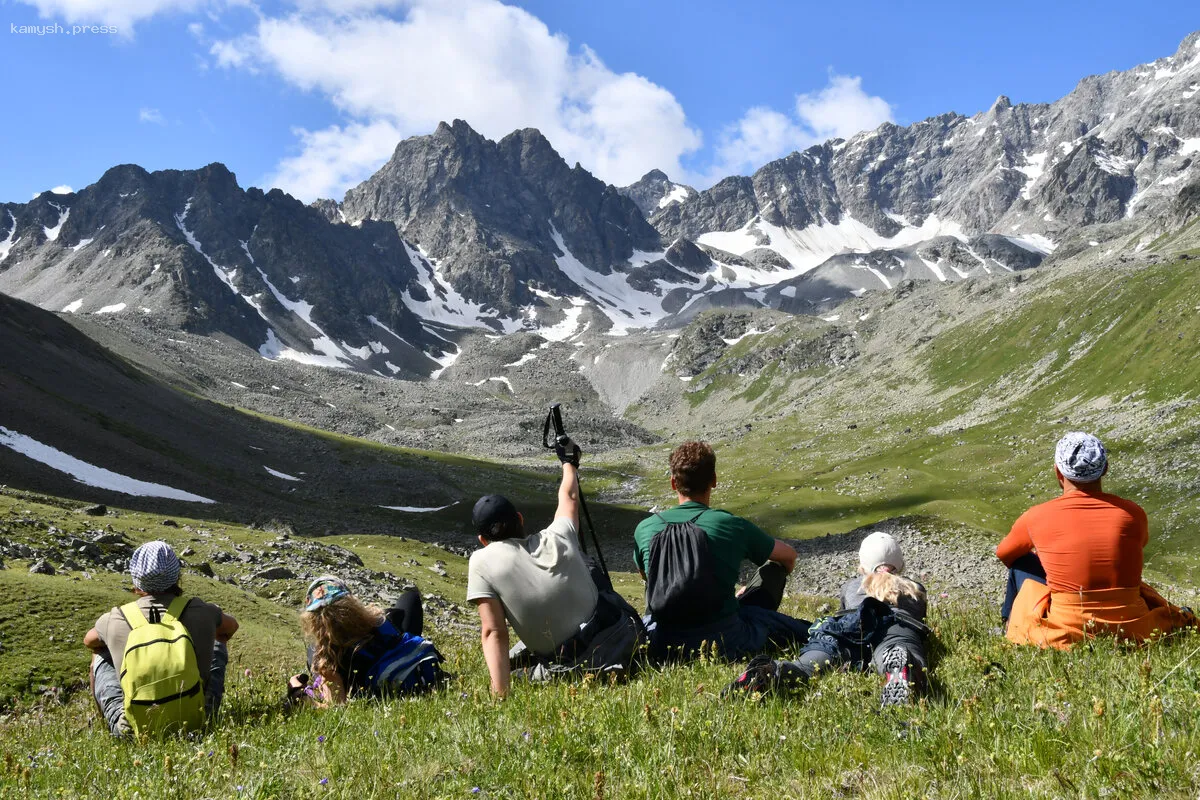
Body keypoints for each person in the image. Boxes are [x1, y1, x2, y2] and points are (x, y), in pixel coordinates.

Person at [996, 431, 1195, 649]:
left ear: (1058, 472)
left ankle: (1009, 630)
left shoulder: (1036, 516)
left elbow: (1005, 554)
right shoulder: (1133, 513)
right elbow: (1141, 543)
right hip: (1133, 627)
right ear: (1105, 469)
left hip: (1066, 628)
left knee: (1020, 563)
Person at [633, 441, 809, 662]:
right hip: (726, 639)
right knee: (773, 570)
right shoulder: (729, 524)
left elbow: (647, 577)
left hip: (662, 641)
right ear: (714, 481)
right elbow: (789, 556)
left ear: (673, 483)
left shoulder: (645, 528)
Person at [726, 532, 931, 707]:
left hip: (848, 627)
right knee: (900, 648)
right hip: (896, 625)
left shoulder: (852, 586)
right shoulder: (915, 588)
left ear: (862, 566)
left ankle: (773, 671)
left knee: (809, 664)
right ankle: (899, 666)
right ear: (900, 565)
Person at [467, 436, 601, 697]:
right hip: (617, 638)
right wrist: (568, 462)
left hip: (573, 668)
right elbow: (570, 496)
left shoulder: (481, 561)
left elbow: (494, 631)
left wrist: (500, 695)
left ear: (483, 540)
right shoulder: (558, 534)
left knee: (520, 670)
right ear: (519, 519)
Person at [84, 540, 238, 737]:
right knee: (218, 639)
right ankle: (202, 704)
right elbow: (231, 627)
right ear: (177, 577)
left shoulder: (115, 617)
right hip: (197, 720)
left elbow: (88, 641)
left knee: (99, 653)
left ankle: (112, 726)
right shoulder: (203, 611)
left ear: (136, 581)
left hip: (135, 730)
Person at [288, 577, 444, 706]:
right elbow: (411, 602)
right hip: (390, 645)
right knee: (409, 597)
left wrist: (301, 695)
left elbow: (335, 709)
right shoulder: (379, 624)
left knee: (312, 651)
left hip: (366, 681)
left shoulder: (327, 659)